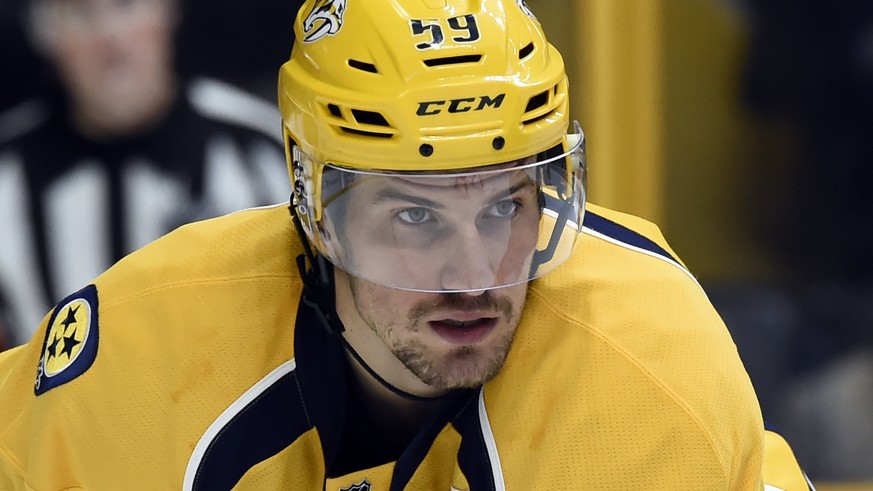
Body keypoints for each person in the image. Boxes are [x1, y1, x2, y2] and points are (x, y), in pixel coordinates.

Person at [0, 0, 811, 488]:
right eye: (415, 217)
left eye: (504, 208)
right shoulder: (146, 364)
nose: (472, 276)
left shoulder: (644, 369)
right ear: (314, 206)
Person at [0, 0, 290, 347]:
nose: (110, 38)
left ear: (168, 12)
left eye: (126, 6)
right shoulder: (9, 173)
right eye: (79, 13)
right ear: (44, 34)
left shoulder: (261, 149)